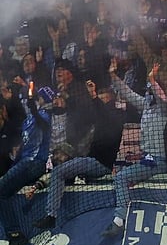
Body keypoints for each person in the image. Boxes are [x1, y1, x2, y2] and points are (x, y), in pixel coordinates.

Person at [34, 81, 124, 230]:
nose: (100, 101)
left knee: (59, 171)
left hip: (100, 164)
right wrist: (68, 97)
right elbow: (84, 111)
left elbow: (104, 113)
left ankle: (51, 216)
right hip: (91, 161)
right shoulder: (99, 119)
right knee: (60, 165)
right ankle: (50, 209)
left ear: (110, 99)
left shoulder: (116, 116)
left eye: (103, 98)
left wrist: (94, 96)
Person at [102, 62, 167, 238]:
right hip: (147, 159)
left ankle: (119, 221)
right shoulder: (146, 106)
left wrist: (152, 79)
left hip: (160, 161)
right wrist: (113, 76)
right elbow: (128, 93)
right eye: (147, 91)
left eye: (150, 90)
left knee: (121, 177)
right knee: (120, 173)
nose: (148, 93)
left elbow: (162, 98)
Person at [1, 82, 52, 245]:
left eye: (36, 98)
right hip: (24, 163)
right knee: (4, 190)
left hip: (34, 163)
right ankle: (14, 234)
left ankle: (15, 235)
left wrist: (34, 109)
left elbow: (42, 124)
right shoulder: (28, 120)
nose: (33, 100)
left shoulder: (45, 115)